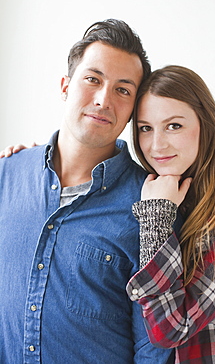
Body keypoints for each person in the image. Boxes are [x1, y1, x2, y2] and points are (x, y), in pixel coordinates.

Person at [0, 19, 175, 363]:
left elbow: (154, 346)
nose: (103, 99)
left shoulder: (151, 204)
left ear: (133, 110)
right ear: (65, 85)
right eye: (92, 79)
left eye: (123, 90)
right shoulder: (7, 174)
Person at [125, 65, 215, 363]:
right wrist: (30, 160)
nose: (157, 145)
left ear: (205, 124)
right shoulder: (149, 188)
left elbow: (172, 329)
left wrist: (157, 216)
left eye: (174, 126)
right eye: (145, 128)